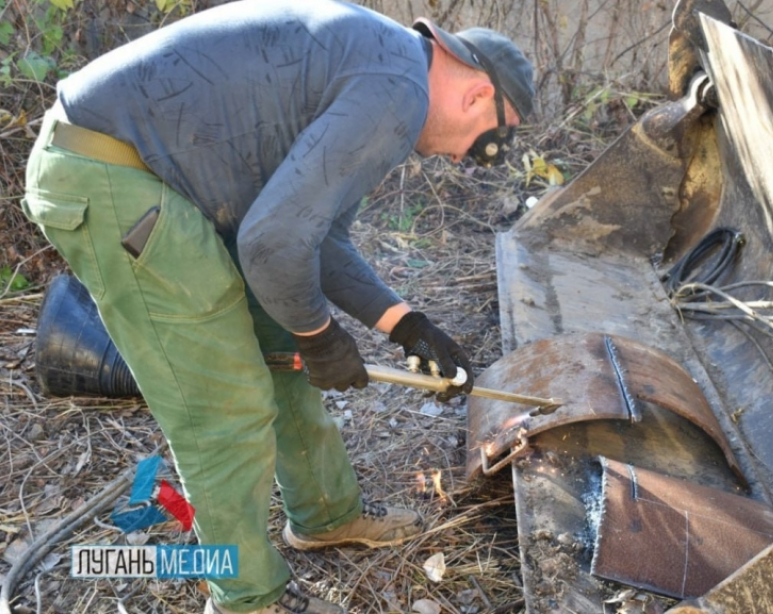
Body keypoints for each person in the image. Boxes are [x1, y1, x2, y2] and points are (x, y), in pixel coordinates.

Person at [21, 1, 534, 612]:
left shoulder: (385, 64)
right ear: (478, 95)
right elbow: (272, 243)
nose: (465, 159)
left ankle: (323, 515)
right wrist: (322, 336)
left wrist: (406, 326)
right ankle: (245, 599)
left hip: (170, 180)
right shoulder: (396, 89)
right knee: (226, 406)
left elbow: (316, 238)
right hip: (108, 174)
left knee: (279, 348)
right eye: (489, 145)